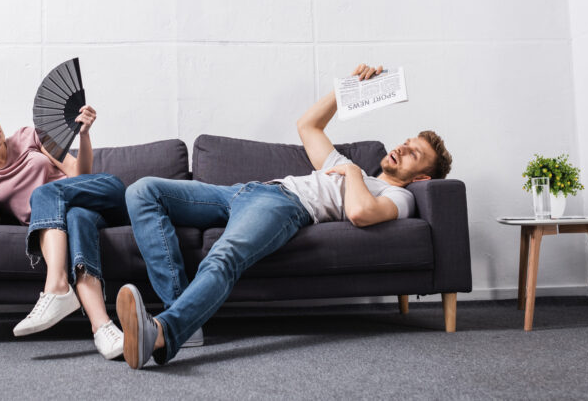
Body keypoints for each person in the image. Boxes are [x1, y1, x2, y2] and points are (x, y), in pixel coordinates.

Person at [116, 62, 453, 369]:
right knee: (143, 190)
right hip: (244, 190)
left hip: (283, 206)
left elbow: (362, 213)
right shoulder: (346, 168)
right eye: (407, 141)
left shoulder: (398, 195)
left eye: (415, 153)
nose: (403, 147)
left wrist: (351, 172)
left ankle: (165, 331)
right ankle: (182, 317)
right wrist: (346, 90)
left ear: (422, 177)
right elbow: (308, 126)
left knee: (224, 256)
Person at [0, 98, 127, 360]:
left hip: (100, 194)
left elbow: (79, 174)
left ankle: (56, 288)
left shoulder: (31, 136)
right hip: (74, 221)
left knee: (45, 194)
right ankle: (103, 329)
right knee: (76, 218)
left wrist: (84, 135)